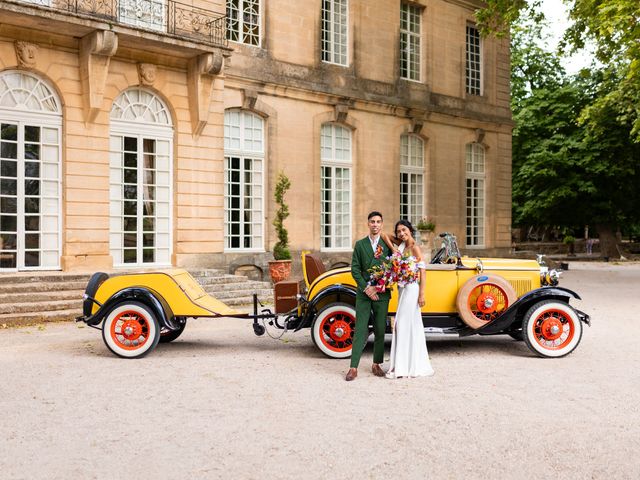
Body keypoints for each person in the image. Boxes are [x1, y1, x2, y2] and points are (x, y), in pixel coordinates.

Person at [381, 220, 434, 378]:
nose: (401, 233)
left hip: (411, 289)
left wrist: (422, 294)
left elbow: (423, 272)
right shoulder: (402, 245)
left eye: (404, 230)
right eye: (399, 231)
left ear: (411, 230)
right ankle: (402, 363)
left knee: (402, 324)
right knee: (405, 325)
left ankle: (403, 366)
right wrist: (394, 248)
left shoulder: (415, 248)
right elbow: (384, 235)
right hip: (402, 289)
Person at [345, 211, 392, 381]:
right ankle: (353, 367)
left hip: (382, 293)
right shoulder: (360, 244)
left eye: (378, 221)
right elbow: (355, 270)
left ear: (382, 224)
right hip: (364, 293)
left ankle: (376, 364)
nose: (375, 224)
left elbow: (392, 268)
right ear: (368, 224)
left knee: (380, 328)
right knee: (360, 329)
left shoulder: (387, 244)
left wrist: (378, 287)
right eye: (372, 221)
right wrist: (367, 288)